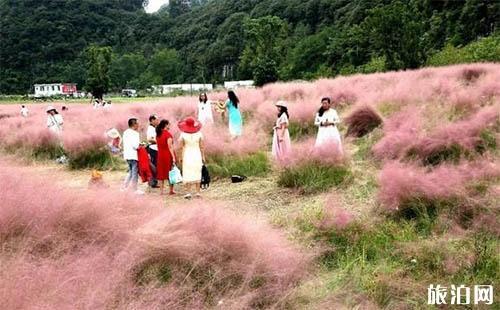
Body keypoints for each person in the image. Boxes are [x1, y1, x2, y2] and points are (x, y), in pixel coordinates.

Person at [178, 116, 206, 199]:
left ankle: (188, 192)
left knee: (187, 171)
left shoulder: (183, 134)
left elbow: (181, 147)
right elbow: (202, 147)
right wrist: (203, 156)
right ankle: (198, 192)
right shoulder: (199, 134)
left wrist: (180, 156)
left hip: (187, 154)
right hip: (196, 154)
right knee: (197, 171)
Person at [122, 118, 144, 195]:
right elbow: (135, 146)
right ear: (134, 124)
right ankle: (134, 189)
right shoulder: (135, 133)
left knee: (130, 172)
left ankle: (125, 187)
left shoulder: (125, 132)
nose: (138, 125)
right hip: (134, 155)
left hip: (127, 155)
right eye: (137, 123)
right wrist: (141, 145)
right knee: (134, 172)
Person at [156, 119, 176, 195]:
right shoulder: (168, 134)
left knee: (161, 173)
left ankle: (161, 191)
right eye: (168, 124)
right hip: (167, 155)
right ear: (166, 125)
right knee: (170, 173)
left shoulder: (158, 134)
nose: (169, 126)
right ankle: (171, 190)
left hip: (160, 155)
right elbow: (170, 147)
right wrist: (173, 157)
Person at [146, 115, 160, 188]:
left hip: (156, 148)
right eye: (156, 120)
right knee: (153, 166)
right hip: (153, 149)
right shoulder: (150, 129)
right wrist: (158, 141)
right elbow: (149, 139)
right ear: (152, 120)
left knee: (156, 165)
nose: (158, 121)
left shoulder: (154, 128)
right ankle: (152, 182)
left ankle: (154, 181)